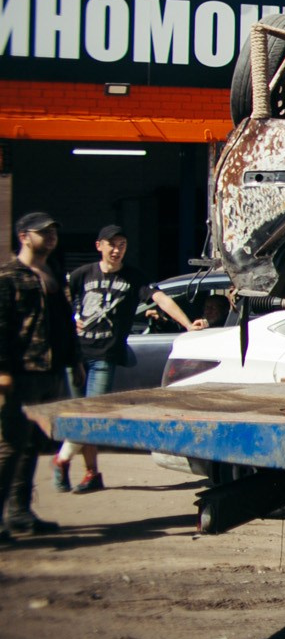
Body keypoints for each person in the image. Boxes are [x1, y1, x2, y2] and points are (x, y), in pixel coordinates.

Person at [55, 224, 208, 492]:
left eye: (122, 245)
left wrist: (186, 324)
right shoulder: (82, 275)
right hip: (77, 354)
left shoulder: (133, 277)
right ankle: (91, 473)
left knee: (91, 413)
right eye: (111, 244)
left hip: (105, 354)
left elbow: (161, 299)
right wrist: (69, 323)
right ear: (99, 245)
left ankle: (62, 459)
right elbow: (61, 303)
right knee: (80, 413)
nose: (116, 250)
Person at [0, 212, 80, 541]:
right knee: (9, 446)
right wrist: (3, 371)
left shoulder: (52, 274)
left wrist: (73, 361)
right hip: (21, 373)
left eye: (52, 232)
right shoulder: (8, 275)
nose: (49, 237)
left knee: (33, 445)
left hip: (49, 372)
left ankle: (19, 513)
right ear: (23, 236)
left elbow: (63, 325)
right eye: (42, 232)